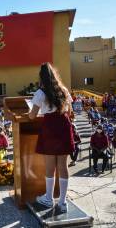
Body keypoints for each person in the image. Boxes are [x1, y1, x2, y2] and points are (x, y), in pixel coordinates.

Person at [26, 62, 74, 213]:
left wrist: (30, 113)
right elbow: (70, 111)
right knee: (63, 166)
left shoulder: (40, 93)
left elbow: (32, 115)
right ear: (54, 75)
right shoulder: (63, 90)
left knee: (50, 167)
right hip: (64, 127)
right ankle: (62, 202)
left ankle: (48, 198)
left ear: (41, 77)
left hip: (50, 129)